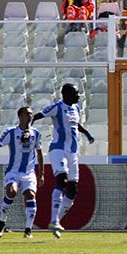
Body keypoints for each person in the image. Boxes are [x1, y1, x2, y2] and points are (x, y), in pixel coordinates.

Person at [33, 83, 95, 238]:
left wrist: (86, 133)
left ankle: (56, 221)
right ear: (66, 94)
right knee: (62, 181)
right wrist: (27, 130)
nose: (78, 95)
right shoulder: (57, 107)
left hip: (73, 152)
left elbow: (76, 125)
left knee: (73, 190)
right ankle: (54, 220)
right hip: (58, 149)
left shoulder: (77, 109)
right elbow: (37, 116)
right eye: (75, 93)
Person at [0, 107, 44, 239]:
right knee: (11, 192)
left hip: (29, 173)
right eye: (27, 114)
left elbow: (40, 154)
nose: (30, 116)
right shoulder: (11, 132)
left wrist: (41, 174)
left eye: (31, 114)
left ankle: (28, 230)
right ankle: (2, 222)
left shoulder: (36, 133)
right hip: (13, 171)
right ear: (20, 116)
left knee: (30, 195)